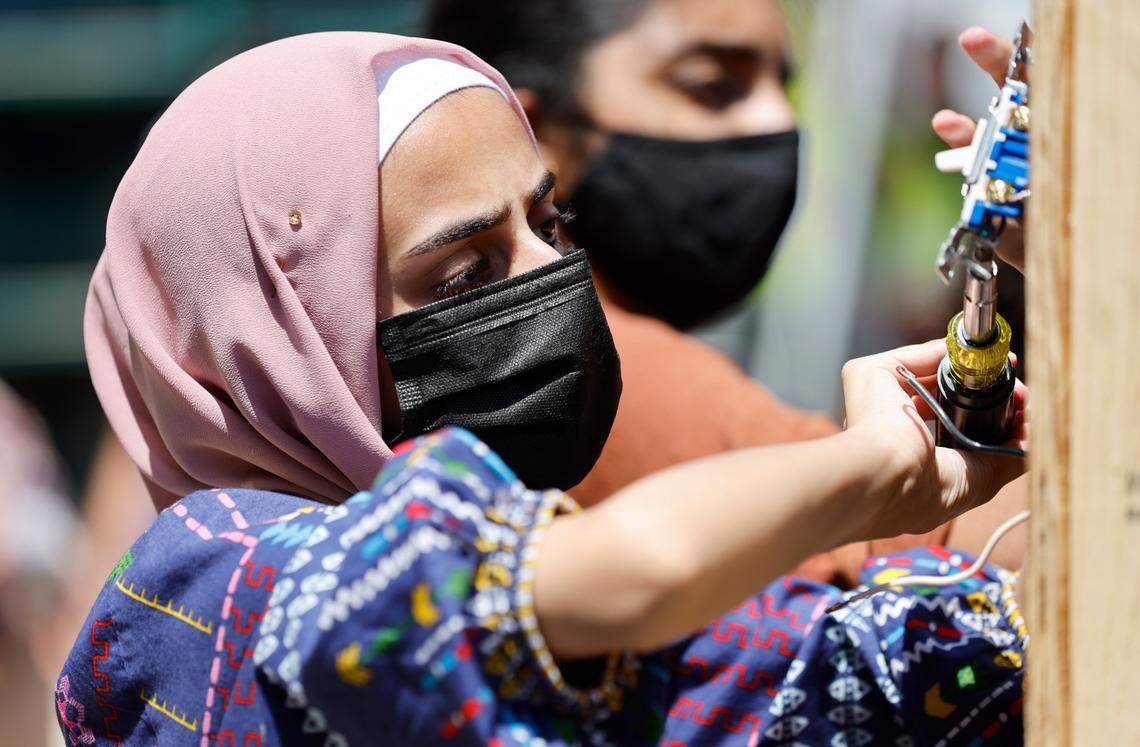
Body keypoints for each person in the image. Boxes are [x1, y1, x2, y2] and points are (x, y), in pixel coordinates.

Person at [56, 32, 1026, 745]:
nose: (552, 288)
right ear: (271, 344)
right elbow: (632, 570)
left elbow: (915, 666)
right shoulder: (217, 582)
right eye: (465, 276)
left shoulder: (602, 632)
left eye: (551, 230)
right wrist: (863, 468)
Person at [425, 0, 1028, 583]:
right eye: (712, 85)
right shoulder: (582, 372)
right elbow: (980, 540)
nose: (779, 123)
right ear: (534, 131)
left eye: (781, 88)